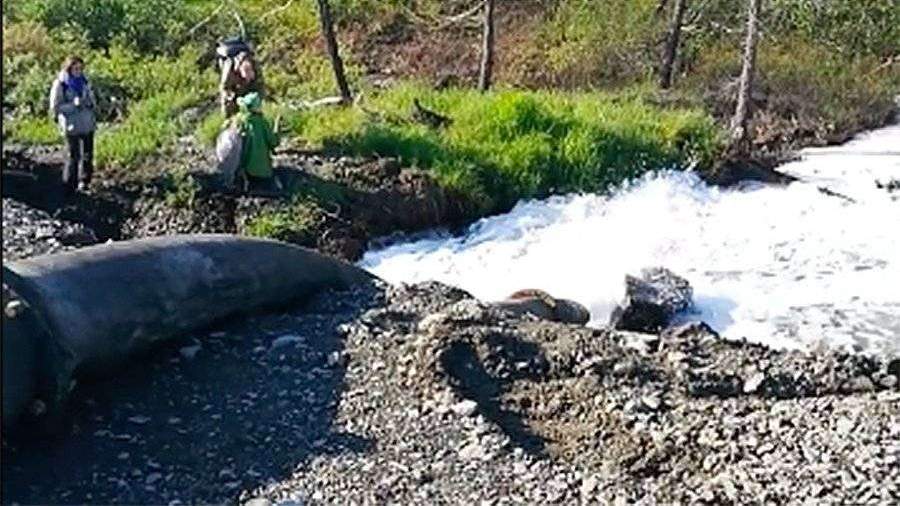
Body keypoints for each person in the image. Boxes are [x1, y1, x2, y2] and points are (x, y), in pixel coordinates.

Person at [49, 56, 96, 193]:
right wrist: (73, 106)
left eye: (81, 68)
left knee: (88, 154)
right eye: (76, 68)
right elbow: (55, 107)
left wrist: (89, 103)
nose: (78, 71)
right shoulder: (60, 84)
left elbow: (92, 100)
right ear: (69, 68)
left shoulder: (85, 82)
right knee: (73, 155)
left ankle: (85, 182)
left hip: (87, 123)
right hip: (71, 125)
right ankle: (70, 185)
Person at [234, 92, 281, 192]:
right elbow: (274, 142)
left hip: (247, 170)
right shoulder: (263, 123)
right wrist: (277, 127)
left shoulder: (242, 121)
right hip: (264, 172)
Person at [219, 46, 265, 118]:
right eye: (246, 78)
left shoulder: (256, 67)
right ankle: (229, 121)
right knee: (228, 106)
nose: (248, 79)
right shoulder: (229, 67)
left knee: (254, 106)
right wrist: (233, 97)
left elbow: (261, 86)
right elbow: (224, 87)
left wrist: (257, 99)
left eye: (250, 77)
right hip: (234, 91)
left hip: (249, 90)